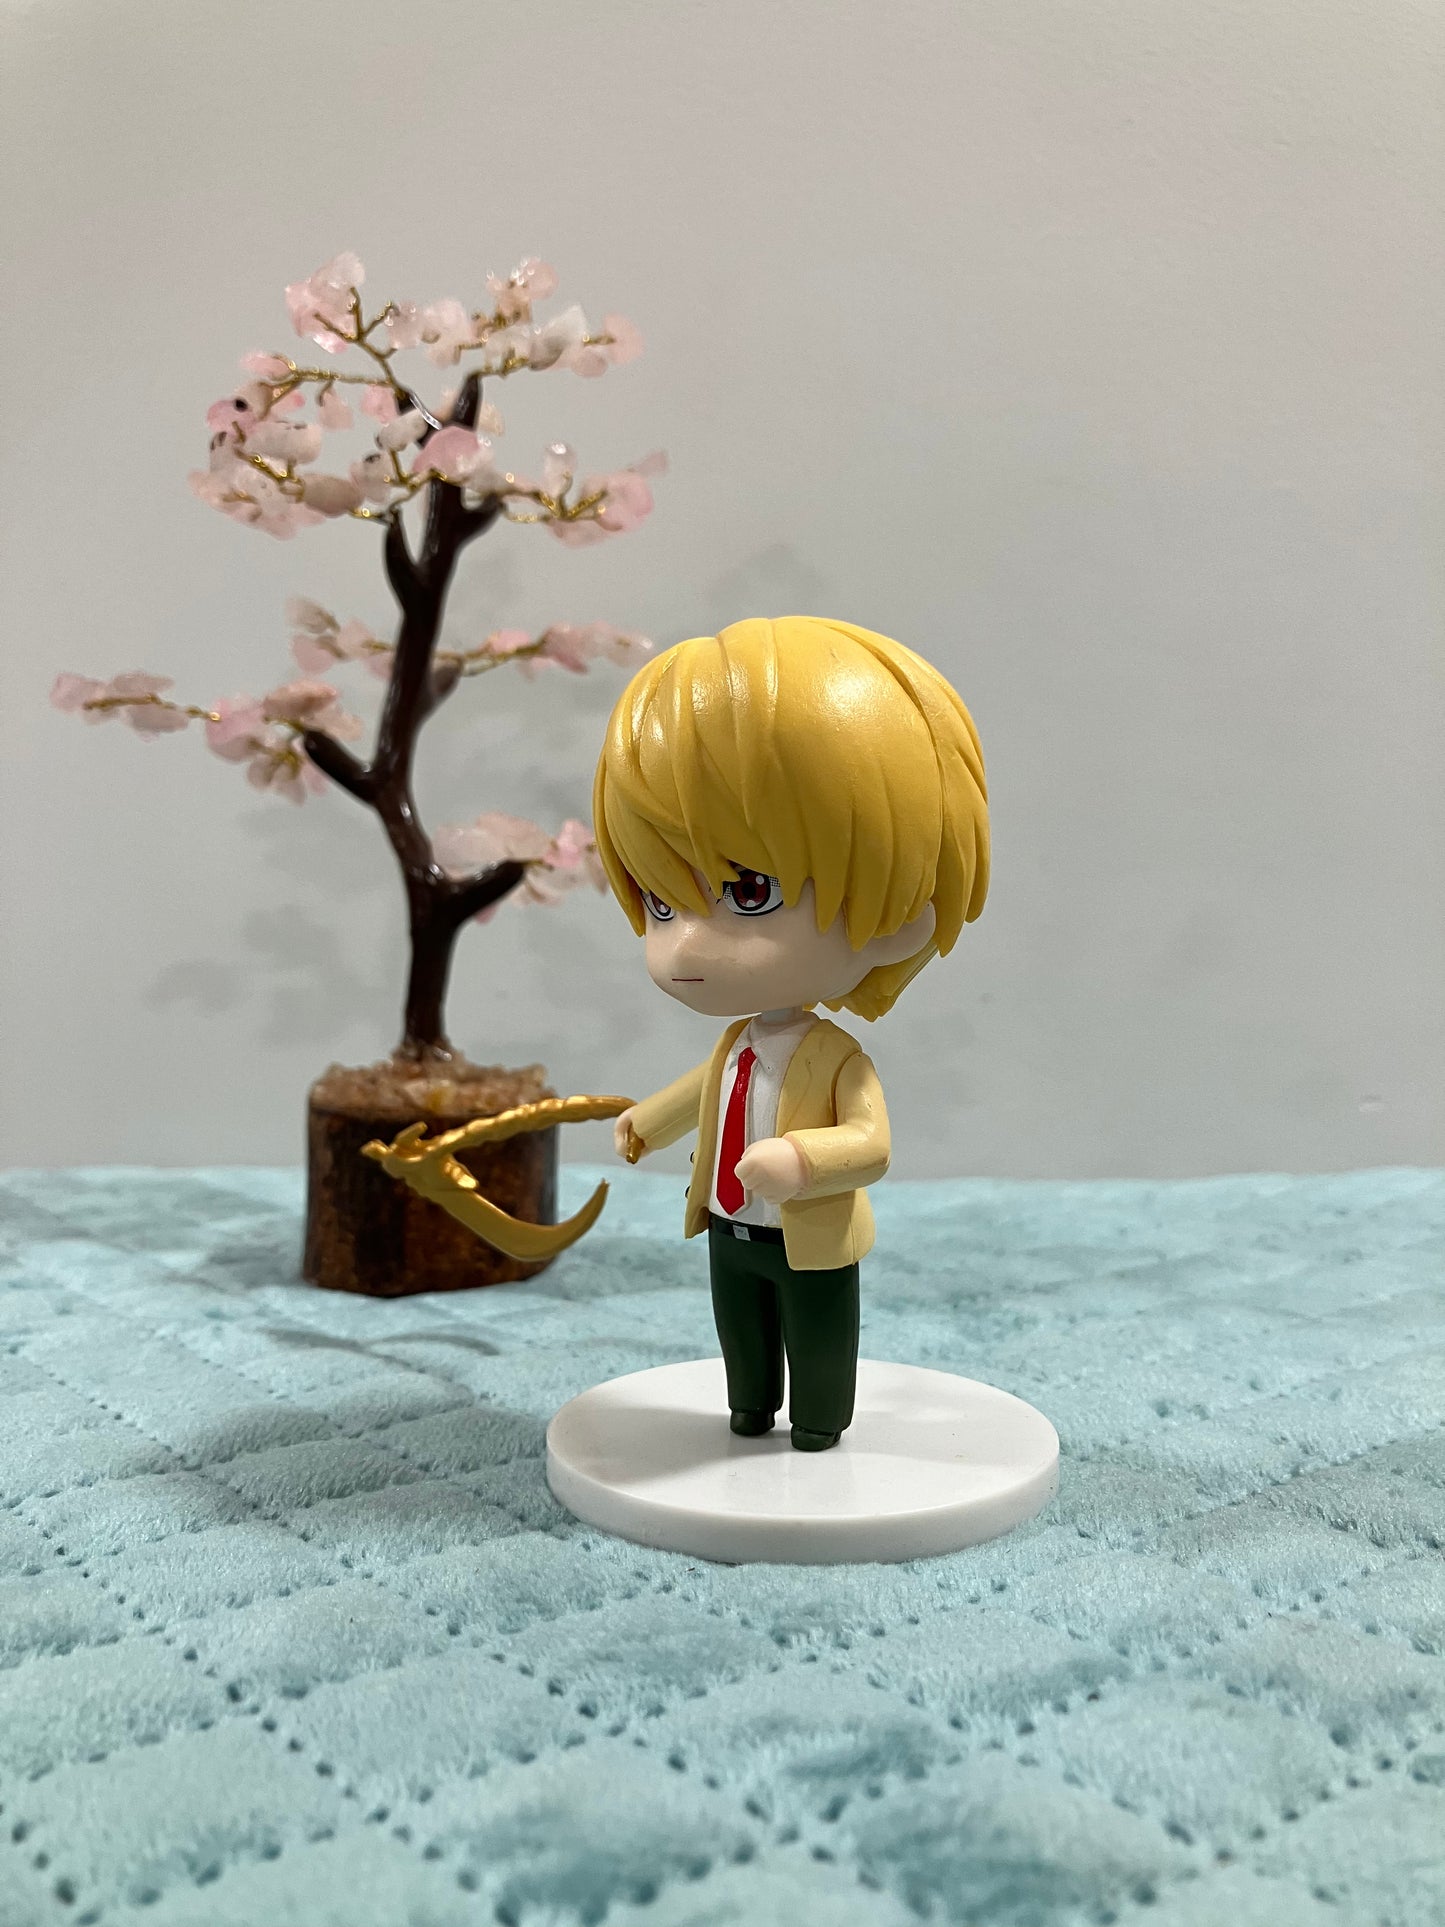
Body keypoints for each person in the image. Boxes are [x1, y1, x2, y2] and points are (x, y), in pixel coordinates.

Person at [592, 616, 990, 1450]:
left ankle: (817, 1423)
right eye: (661, 902)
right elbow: (708, 1091)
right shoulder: (737, 1042)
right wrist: (649, 1122)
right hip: (728, 1227)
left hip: (806, 1234)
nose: (683, 947)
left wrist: (801, 1162)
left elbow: (871, 1144)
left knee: (816, 1333)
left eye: (748, 893)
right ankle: (747, 1406)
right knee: (739, 1330)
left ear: (899, 917)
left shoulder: (836, 1058)